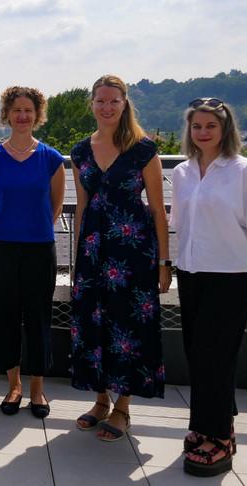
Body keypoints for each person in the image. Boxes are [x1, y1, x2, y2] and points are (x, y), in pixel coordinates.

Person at [171, 98, 247, 477]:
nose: (202, 132)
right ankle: (207, 424)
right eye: (197, 126)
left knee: (215, 354)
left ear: (225, 129)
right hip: (192, 271)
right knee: (197, 354)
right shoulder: (182, 172)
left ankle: (218, 435)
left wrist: (243, 266)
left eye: (210, 126)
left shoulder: (246, 171)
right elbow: (180, 224)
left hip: (231, 276)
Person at [69, 74, 171, 441]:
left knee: (129, 327)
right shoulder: (80, 152)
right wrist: (78, 258)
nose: (106, 107)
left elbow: (159, 210)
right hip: (94, 253)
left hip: (134, 254)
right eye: (100, 100)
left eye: (114, 101)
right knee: (93, 325)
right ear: (92, 104)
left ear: (125, 103)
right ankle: (100, 400)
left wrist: (163, 261)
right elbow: (81, 208)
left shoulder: (143, 148)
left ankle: (123, 407)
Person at [0, 86, 65, 418]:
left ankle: (37, 389)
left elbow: (55, 206)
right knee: (6, 316)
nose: (23, 116)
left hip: (40, 248)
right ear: (7, 114)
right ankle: (13, 385)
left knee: (39, 317)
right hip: (2, 247)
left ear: (37, 115)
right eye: (16, 110)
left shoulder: (51, 158)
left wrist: (32, 226)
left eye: (29, 110)